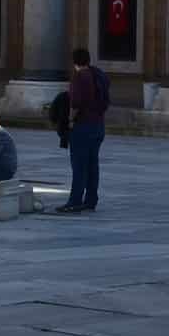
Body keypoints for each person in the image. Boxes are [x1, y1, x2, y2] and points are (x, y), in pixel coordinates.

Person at [52, 47, 108, 214]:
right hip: (98, 126)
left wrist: (69, 121)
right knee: (92, 164)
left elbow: (75, 103)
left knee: (79, 166)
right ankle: (91, 200)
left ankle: (75, 201)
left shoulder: (79, 77)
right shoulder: (98, 75)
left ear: (74, 62)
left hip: (83, 126)